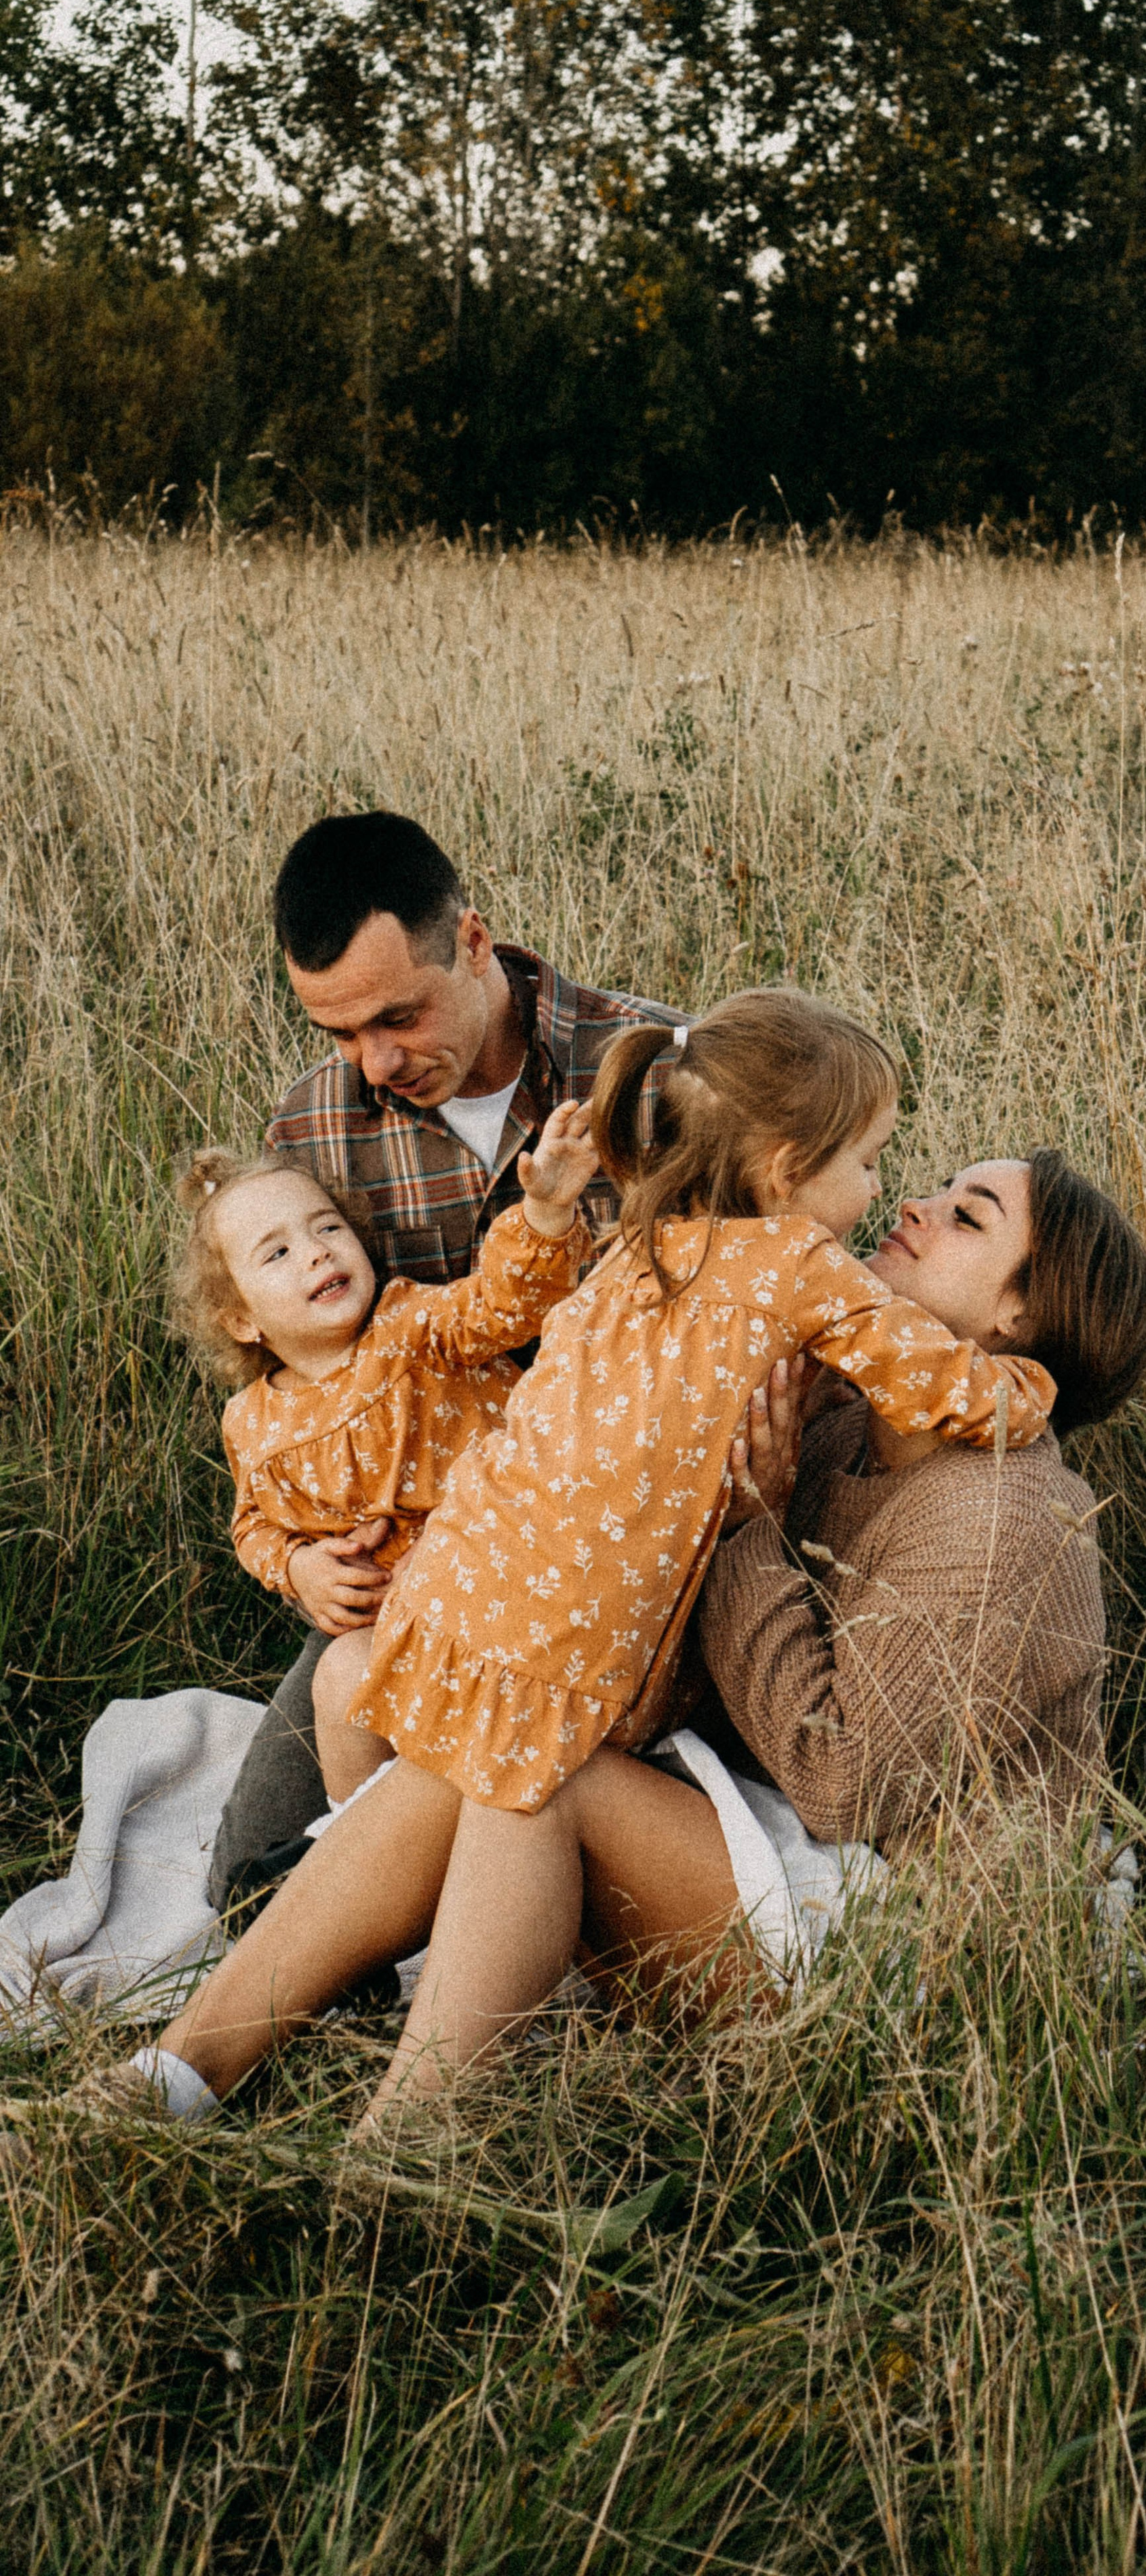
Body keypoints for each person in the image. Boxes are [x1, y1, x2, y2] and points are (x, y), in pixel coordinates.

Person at [71, 990, 1056, 2139]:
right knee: (481, 1765)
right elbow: (903, 1391)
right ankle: (185, 2074)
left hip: (824, 1873)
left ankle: (387, 2138)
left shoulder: (661, 1250)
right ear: (789, 1169)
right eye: (882, 1166)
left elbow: (849, 1777)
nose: (902, 1203)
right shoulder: (802, 1298)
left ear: (1026, 1313)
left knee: (511, 1768)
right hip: (621, 1697)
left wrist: (766, 1517)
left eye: (967, 1219)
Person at [209, 811, 686, 1904]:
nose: (375, 1064)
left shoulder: (655, 1075)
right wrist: (312, 1560)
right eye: (338, 1034)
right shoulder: (316, 1132)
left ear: (474, 943)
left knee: (524, 1811)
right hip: (424, 1566)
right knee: (254, 1887)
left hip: (614, 1532)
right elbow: (300, 1375)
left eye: (397, 1018)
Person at [173, 1100, 597, 1803]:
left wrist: (546, 1214)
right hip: (400, 1625)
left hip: (510, 1578)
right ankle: (362, 1838)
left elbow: (505, 1305)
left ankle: (433, 1828)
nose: (316, 1252)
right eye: (277, 1253)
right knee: (340, 1674)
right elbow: (253, 1526)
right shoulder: (251, 1422)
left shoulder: (410, 1327)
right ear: (242, 1319)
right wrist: (299, 1567)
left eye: (328, 1228)